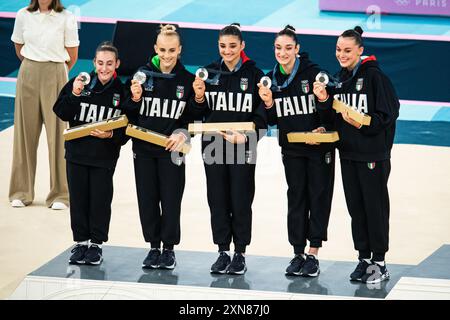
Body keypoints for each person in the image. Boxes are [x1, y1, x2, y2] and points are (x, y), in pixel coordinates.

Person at [313, 26, 399, 284]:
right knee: (357, 210)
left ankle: (380, 262)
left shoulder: (376, 78)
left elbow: (389, 113)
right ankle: (364, 258)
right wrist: (323, 105)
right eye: (339, 50)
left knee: (375, 209)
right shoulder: (339, 80)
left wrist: (363, 124)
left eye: (348, 50)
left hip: (373, 154)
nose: (342, 54)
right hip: (348, 155)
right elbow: (334, 117)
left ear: (360, 51)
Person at [125, 24, 206, 270]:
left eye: (172, 50)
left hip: (173, 152)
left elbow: (193, 117)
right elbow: (128, 112)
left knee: (171, 200)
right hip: (144, 151)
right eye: (162, 50)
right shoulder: (141, 75)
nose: (167, 55)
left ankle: (168, 249)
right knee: (147, 199)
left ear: (180, 49)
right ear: (155, 49)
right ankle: (153, 247)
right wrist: (135, 98)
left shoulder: (188, 80)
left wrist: (184, 133)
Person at [258, 25, 335, 277]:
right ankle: (297, 252)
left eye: (288, 48)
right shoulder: (272, 78)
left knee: (318, 198)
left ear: (297, 49)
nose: (283, 52)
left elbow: (331, 112)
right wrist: (268, 102)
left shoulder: (314, 74)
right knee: (296, 198)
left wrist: (323, 115)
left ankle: (313, 254)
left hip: (317, 149)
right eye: (278, 48)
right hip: (291, 150)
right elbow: (271, 119)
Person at [191, 23, 267, 275]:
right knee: (218, 199)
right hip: (213, 145)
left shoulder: (255, 74)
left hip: (243, 146)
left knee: (241, 199)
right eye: (223, 46)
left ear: (242, 46)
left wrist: (246, 137)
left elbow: (263, 119)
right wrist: (199, 97)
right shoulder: (208, 73)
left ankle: (240, 253)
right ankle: (223, 251)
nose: (227, 50)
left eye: (233, 46)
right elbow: (196, 114)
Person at [53, 42, 126, 265]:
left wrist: (111, 135)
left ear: (117, 64)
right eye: (100, 63)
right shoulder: (80, 83)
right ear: (94, 63)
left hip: (104, 158)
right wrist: (74, 94)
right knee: (79, 199)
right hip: (76, 155)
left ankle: (96, 244)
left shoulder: (121, 92)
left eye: (109, 64)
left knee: (100, 201)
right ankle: (81, 242)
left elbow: (126, 131)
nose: (104, 68)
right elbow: (61, 111)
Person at [9, 0, 79, 210]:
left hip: (56, 71)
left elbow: (72, 54)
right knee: (24, 133)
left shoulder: (66, 16)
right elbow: (19, 47)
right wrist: (34, 65)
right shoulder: (23, 15)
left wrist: (57, 72)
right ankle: (21, 191)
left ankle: (60, 194)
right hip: (28, 71)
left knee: (57, 135)